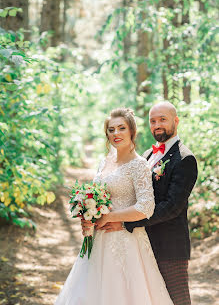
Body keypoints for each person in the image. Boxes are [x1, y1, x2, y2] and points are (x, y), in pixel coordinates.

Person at [55, 107, 174, 305]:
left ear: (132, 131)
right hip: (98, 239)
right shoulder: (104, 163)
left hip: (127, 241)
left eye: (121, 128)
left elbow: (146, 206)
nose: (116, 134)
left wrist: (109, 217)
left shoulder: (139, 165)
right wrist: (88, 219)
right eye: (111, 130)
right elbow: (97, 199)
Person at [93, 101, 198, 305]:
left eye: (162, 120)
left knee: (177, 300)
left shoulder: (185, 158)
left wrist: (126, 223)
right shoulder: (147, 156)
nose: (157, 124)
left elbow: (171, 207)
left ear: (176, 121)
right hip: (141, 243)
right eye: (153, 121)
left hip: (169, 245)